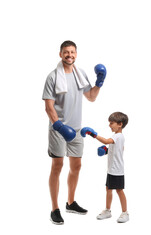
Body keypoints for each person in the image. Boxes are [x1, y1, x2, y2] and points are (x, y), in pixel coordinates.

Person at [42, 40, 107, 225]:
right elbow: (48, 107)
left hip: (77, 129)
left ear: (76, 54)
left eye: (72, 52)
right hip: (58, 128)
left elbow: (91, 97)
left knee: (76, 166)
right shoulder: (53, 77)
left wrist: (100, 82)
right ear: (60, 54)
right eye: (66, 52)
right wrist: (60, 127)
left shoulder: (81, 74)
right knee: (57, 166)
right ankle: (54, 208)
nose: (69, 55)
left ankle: (70, 203)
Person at [81, 112, 129, 223]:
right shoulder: (119, 137)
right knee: (108, 189)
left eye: (111, 123)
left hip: (117, 170)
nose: (109, 125)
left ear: (120, 124)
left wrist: (93, 134)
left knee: (119, 191)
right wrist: (107, 151)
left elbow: (107, 141)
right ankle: (107, 211)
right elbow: (120, 150)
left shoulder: (118, 136)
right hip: (111, 169)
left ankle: (125, 212)